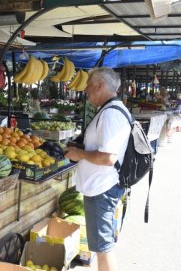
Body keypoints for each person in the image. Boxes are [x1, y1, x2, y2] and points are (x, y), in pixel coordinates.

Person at [65, 67, 129, 271]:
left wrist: (80, 155)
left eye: (88, 85)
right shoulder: (109, 110)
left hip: (103, 188)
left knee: (103, 248)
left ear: (100, 85)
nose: (85, 90)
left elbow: (108, 157)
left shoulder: (111, 114)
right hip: (101, 187)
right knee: (102, 246)